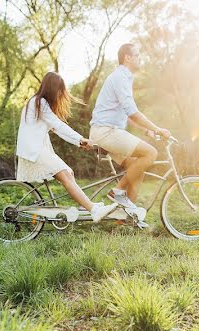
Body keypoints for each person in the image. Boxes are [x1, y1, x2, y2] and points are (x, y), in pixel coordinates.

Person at [16, 72, 115, 223]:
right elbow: (59, 126)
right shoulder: (39, 103)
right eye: (59, 90)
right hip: (34, 151)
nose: (60, 94)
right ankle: (94, 210)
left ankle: (86, 206)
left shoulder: (38, 103)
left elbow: (57, 129)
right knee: (65, 175)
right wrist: (81, 139)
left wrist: (79, 142)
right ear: (52, 88)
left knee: (69, 172)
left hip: (37, 150)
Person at [89, 43, 170, 226]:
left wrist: (147, 130)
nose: (140, 58)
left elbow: (128, 113)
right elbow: (132, 111)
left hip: (107, 131)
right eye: (138, 55)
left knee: (136, 166)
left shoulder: (124, 77)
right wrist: (158, 129)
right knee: (150, 153)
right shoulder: (120, 77)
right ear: (127, 57)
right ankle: (117, 192)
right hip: (106, 131)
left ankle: (125, 219)